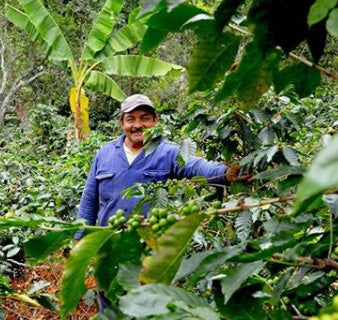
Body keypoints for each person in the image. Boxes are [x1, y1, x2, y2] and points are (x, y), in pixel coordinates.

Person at [74, 94, 243, 239]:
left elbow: (194, 165)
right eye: (130, 119)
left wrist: (225, 173)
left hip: (151, 247)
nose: (137, 125)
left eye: (145, 118)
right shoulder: (105, 153)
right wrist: (78, 239)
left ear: (156, 121)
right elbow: (89, 202)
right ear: (121, 123)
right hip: (109, 244)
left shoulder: (168, 152)